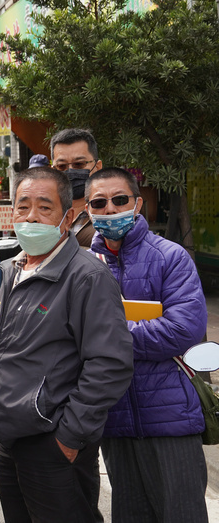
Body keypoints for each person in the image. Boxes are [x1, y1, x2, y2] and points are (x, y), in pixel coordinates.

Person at [0, 167, 134, 523]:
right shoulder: (11, 270)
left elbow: (110, 363)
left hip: (53, 441)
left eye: (44, 207)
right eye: (23, 206)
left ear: (67, 218)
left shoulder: (87, 276)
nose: (31, 217)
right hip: (10, 438)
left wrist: (70, 436)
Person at [87, 168, 209, 522]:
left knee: (182, 514)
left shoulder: (170, 257)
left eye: (119, 200)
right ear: (89, 210)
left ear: (137, 204)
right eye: (99, 203)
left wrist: (108, 335)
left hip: (171, 418)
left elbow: (184, 330)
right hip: (113, 419)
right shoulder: (84, 266)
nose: (110, 209)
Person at [50, 128, 103, 247]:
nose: (70, 171)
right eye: (61, 166)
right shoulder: (43, 215)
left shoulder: (112, 212)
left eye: (79, 164)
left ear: (97, 167)